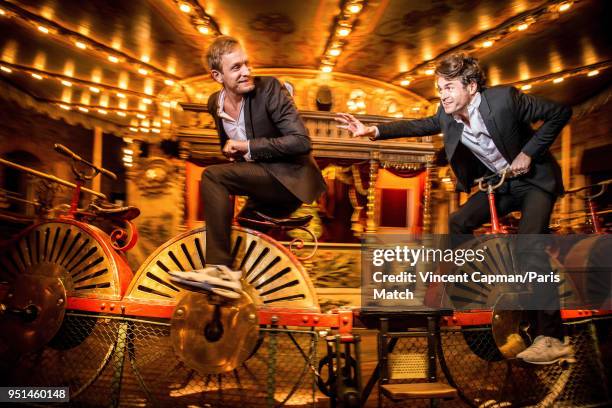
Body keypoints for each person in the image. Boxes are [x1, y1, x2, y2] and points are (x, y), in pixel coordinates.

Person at [336, 53, 573, 364]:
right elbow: (418, 125)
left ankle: (553, 338)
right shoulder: (446, 115)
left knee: (530, 246)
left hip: (535, 180)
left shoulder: (505, 99)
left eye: (447, 87)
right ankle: (467, 285)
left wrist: (529, 153)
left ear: (471, 86)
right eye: (439, 88)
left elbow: (560, 112)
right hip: (502, 183)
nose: (442, 94)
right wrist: (373, 131)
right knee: (459, 221)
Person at [169, 36, 326, 299]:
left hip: (290, 182)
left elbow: (301, 142)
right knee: (242, 232)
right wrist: (234, 152)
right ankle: (241, 294)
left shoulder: (269, 89)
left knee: (213, 177)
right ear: (217, 75)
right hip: (263, 185)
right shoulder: (213, 104)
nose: (246, 72)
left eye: (246, 64)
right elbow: (228, 143)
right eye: (236, 68)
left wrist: (246, 146)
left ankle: (218, 270)